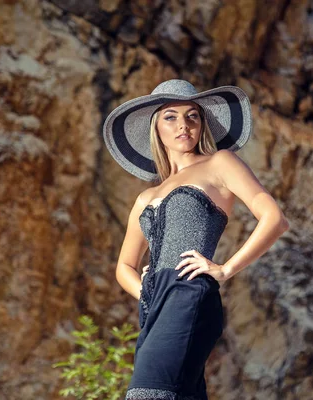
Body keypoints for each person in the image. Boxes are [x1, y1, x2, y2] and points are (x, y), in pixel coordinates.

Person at [102, 79, 289, 400]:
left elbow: (274, 218)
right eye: (170, 117)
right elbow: (124, 266)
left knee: (148, 394)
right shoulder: (146, 196)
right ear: (155, 128)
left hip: (189, 292)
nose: (183, 125)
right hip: (154, 305)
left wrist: (225, 269)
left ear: (203, 124)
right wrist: (145, 290)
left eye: (192, 116)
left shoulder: (220, 163)